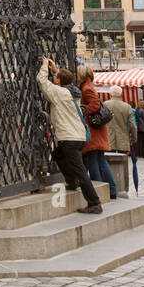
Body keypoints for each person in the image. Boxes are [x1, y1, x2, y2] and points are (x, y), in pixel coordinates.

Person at [37, 58, 102, 213]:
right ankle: (72, 181)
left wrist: (45, 66)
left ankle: (94, 203)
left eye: (56, 77)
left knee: (80, 171)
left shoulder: (59, 93)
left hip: (69, 137)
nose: (54, 78)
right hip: (78, 136)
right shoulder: (74, 92)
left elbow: (42, 81)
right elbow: (65, 81)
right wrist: (56, 69)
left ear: (58, 81)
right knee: (58, 154)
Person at [79, 69, 117, 200]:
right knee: (100, 159)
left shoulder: (86, 88)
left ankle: (99, 189)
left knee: (93, 159)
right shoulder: (90, 86)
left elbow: (94, 104)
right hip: (98, 129)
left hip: (94, 129)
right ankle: (111, 189)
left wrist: (82, 111)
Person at [106, 90, 138, 160]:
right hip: (123, 139)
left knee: (109, 163)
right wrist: (134, 138)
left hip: (108, 138)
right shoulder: (127, 106)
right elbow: (133, 125)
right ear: (121, 95)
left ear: (110, 94)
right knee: (123, 163)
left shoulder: (105, 104)